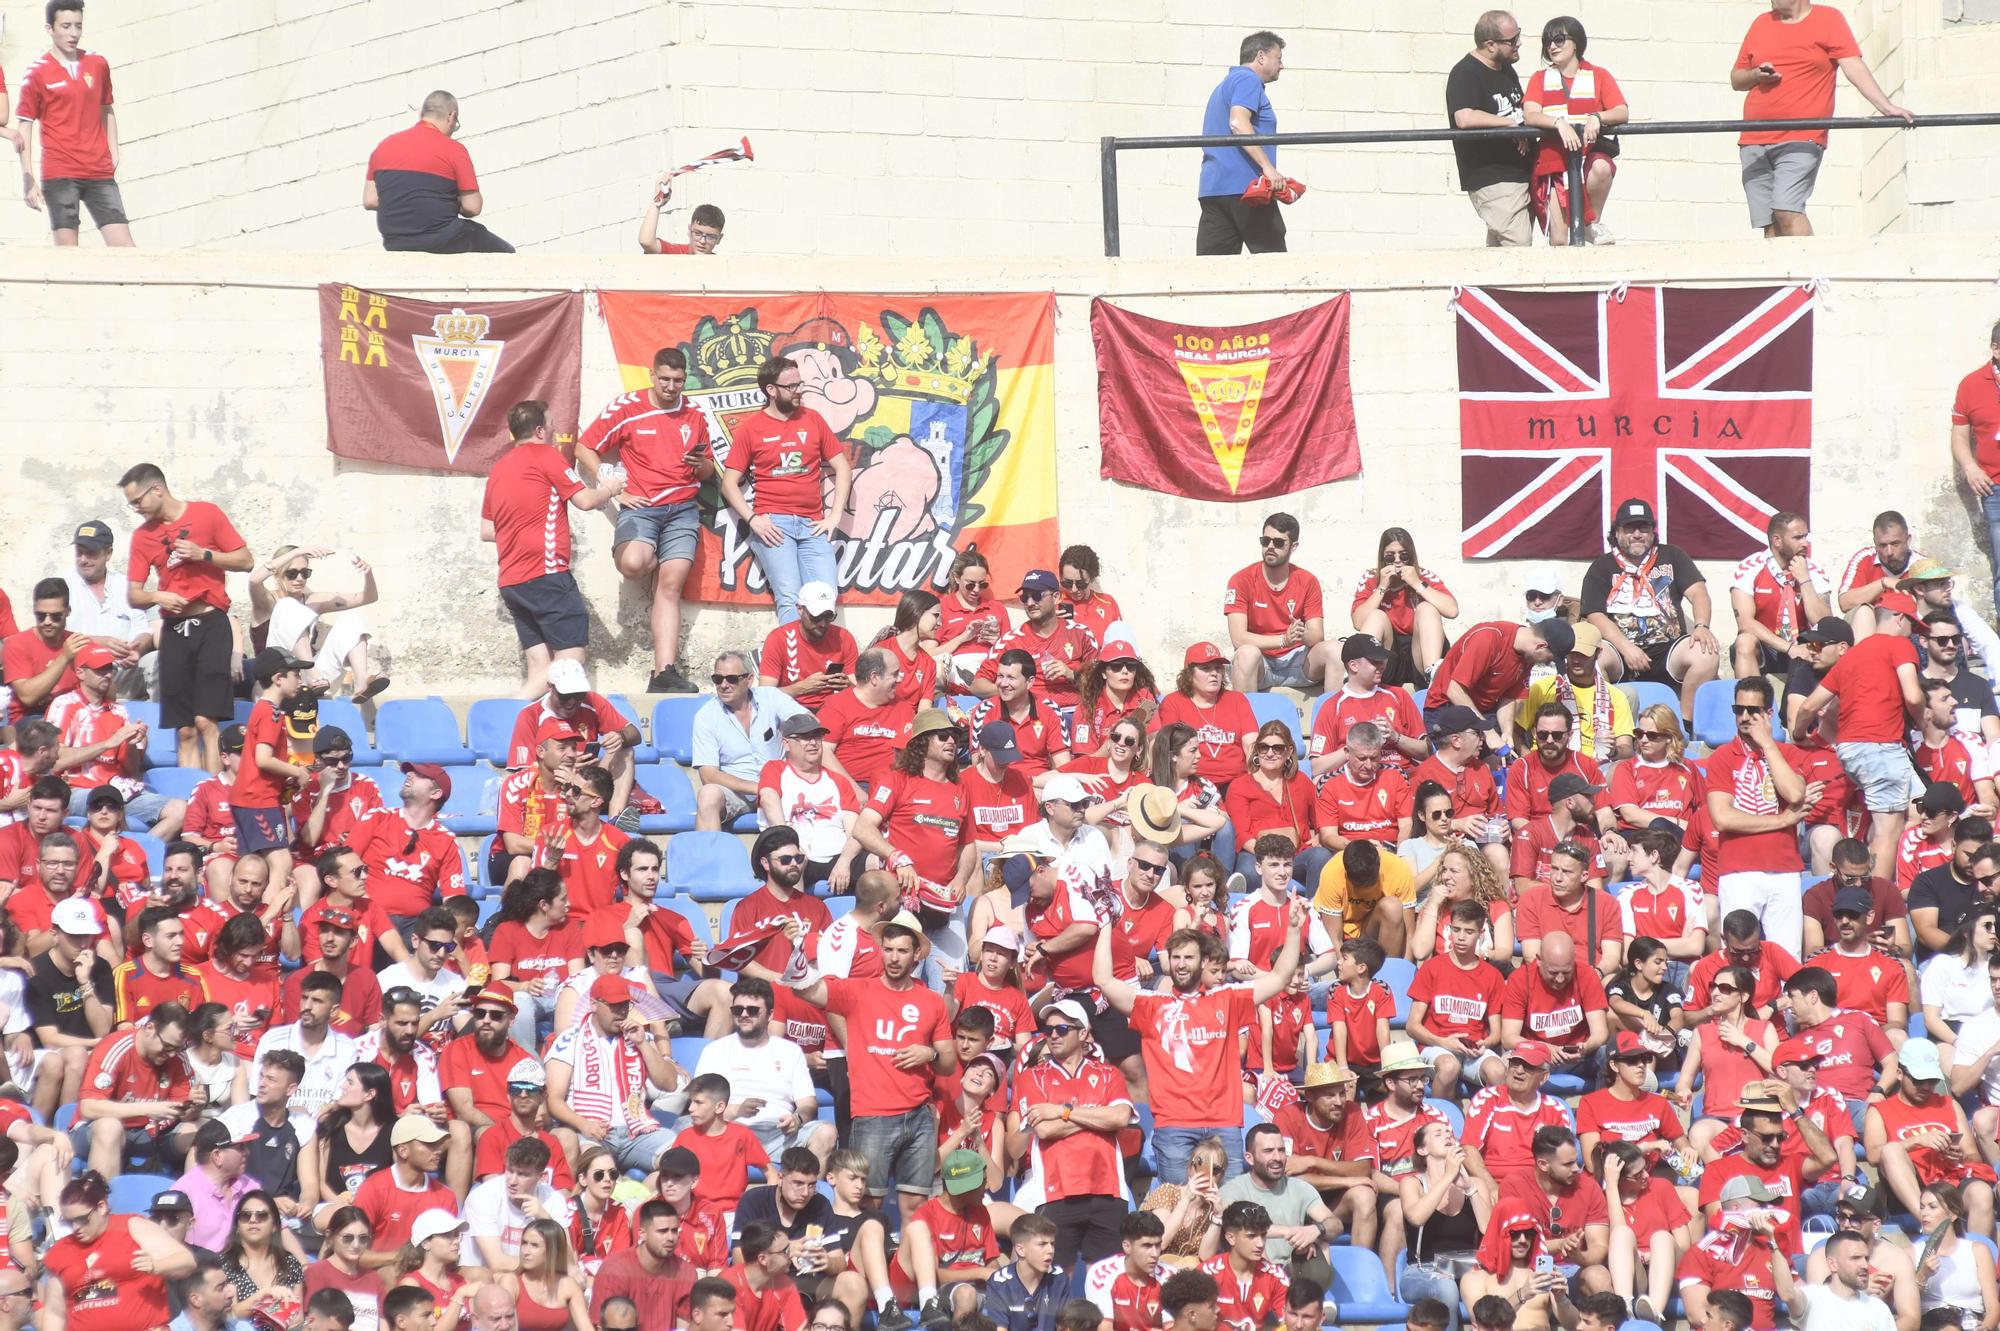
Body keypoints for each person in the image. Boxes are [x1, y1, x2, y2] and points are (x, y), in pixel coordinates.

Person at [575, 346, 717, 695]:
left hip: (683, 509)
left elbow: (710, 467)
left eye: (678, 381)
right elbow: (584, 447)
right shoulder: (627, 407)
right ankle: (649, 554)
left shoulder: (695, 414)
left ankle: (664, 673)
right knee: (634, 564)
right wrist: (612, 488)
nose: (671, 387)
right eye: (665, 379)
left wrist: (700, 465)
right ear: (652, 376)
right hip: (640, 508)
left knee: (670, 588)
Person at [1730, 0, 1912, 239]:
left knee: (1787, 209)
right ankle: (1782, 276)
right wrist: (1755, 74)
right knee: (1771, 223)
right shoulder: (1761, 23)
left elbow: (1853, 66)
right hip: (1753, 137)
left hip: (1800, 136)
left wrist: (1885, 106)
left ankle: (1809, 275)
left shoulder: (1828, 19)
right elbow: (1736, 79)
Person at [479, 401, 623, 699]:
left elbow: (487, 530)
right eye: (552, 426)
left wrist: (522, 527)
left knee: (540, 668)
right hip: (546, 575)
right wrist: (610, 487)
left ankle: (524, 729)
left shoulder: (499, 469)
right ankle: (504, 718)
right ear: (540, 430)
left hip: (512, 581)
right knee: (570, 662)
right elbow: (584, 500)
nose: (556, 433)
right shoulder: (547, 456)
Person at [121, 462, 253, 772]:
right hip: (175, 629)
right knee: (185, 729)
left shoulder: (207, 514)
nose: (136, 508)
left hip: (210, 623)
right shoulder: (142, 537)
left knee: (207, 721)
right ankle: (189, 802)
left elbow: (246, 560)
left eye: (137, 501)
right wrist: (158, 596)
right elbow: (134, 595)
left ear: (157, 489)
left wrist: (203, 554)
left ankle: (213, 798)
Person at [1795, 591, 1928, 880]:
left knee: (1920, 809)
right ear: (1900, 619)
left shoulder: (1850, 657)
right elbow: (1914, 696)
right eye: (1912, 626)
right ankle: (1878, 899)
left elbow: (1808, 705)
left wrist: (1798, 733)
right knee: (1888, 830)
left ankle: (1896, 877)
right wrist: (1921, 723)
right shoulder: (1899, 645)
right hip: (1880, 747)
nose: (1913, 633)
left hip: (1854, 750)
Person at [718, 356, 855, 623]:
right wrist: (753, 519)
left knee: (825, 596)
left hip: (813, 524)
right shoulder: (751, 428)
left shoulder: (813, 419)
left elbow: (843, 467)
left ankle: (824, 663)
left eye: (799, 384)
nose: (798, 391)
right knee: (791, 598)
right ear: (771, 390)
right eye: (791, 386)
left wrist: (835, 515)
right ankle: (794, 665)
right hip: (774, 525)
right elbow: (728, 483)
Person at [1006, 1000, 1135, 1269]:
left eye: (1062, 1028)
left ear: (1084, 1033)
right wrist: (1097, 1116)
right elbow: (1043, 1128)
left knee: (1103, 1280)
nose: (1053, 1035)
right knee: (1056, 1280)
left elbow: (1120, 1118)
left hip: (1108, 1190)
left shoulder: (1108, 1074)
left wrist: (1062, 1111)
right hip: (1056, 1191)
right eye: (1048, 1029)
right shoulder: (1033, 1076)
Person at [1580, 497, 1721, 726]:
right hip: (1620, 653)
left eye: (1643, 527)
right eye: (1630, 528)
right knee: (1594, 658)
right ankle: (1608, 726)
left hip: (1669, 651)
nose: (1637, 534)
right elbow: (1595, 614)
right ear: (1616, 532)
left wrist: (1702, 626)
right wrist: (1627, 648)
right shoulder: (1601, 566)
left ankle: (1684, 726)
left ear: (1652, 532)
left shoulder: (1673, 556)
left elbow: (1698, 593)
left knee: (1707, 652)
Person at [17, 1, 133, 247]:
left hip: (98, 171)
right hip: (60, 173)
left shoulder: (98, 64)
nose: (73, 34)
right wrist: (28, 178)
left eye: (78, 26)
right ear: (50, 28)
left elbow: (106, 108)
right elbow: (24, 127)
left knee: (127, 251)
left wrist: (114, 152)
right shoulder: (36, 72)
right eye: (66, 26)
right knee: (68, 255)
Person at [1521, 16, 1628, 246]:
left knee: (1601, 167)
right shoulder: (1540, 79)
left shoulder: (1599, 75)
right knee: (1560, 241)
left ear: (1576, 42)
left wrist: (1597, 117)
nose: (1552, 46)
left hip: (1587, 157)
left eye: (1559, 39)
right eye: (1548, 41)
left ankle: (1591, 223)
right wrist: (1558, 123)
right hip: (1554, 163)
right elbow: (1530, 114)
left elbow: (1621, 110)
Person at [44, 1171, 196, 1330]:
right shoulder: (60, 1251)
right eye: (69, 1221)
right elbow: (55, 1312)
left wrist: (156, 1265)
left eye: (82, 1219)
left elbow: (186, 1261)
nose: (76, 1228)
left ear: (101, 1207)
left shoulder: (133, 1226)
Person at [363, 90, 512, 253]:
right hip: (442, 241)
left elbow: (370, 200)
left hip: (396, 243)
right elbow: (473, 207)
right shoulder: (454, 150)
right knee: (506, 253)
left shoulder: (384, 146)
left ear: (421, 114)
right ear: (451, 117)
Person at [1194, 32, 1289, 257]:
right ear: (1261, 56)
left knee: (1214, 271)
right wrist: (1268, 167)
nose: (1282, 65)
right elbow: (1238, 122)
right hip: (1247, 189)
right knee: (1274, 266)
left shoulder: (1225, 85)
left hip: (1214, 190)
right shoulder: (1248, 79)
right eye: (1279, 58)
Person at [691, 651, 809, 831]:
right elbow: (709, 775)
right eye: (717, 679)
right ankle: (711, 856)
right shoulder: (706, 716)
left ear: (749, 679)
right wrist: (759, 787)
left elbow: (808, 722)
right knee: (708, 795)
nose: (723, 685)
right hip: (737, 791)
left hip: (781, 783)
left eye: (731, 679)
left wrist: (792, 736)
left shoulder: (771, 697)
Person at [249, 546, 386, 699]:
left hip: (314, 680)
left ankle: (361, 682)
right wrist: (297, 552)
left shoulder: (313, 601)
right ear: (277, 574)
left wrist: (368, 573)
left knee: (351, 618)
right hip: (275, 678)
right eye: (292, 573)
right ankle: (311, 674)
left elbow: (368, 597)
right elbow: (254, 580)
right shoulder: (266, 601)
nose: (300, 578)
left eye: (305, 573)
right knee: (287, 605)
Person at [1216, 1125, 1341, 1290]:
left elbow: (1335, 1224)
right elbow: (1238, 1227)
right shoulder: (1233, 1190)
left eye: (1281, 1150)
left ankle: (1313, 1304)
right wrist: (1293, 1232)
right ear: (1249, 1158)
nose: (1278, 1157)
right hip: (1254, 1272)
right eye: (1268, 1151)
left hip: (1293, 1271)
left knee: (1322, 1243)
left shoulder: (1300, 1188)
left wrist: (1316, 1230)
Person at [1446, 11, 1532, 248]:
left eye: (1518, 35)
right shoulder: (1465, 73)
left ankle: (1486, 287)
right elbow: (1464, 117)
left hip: (1519, 172)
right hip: (1493, 177)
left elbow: (1518, 111)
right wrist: (1509, 124)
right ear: (1490, 44)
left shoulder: (1505, 69)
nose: (1519, 43)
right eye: (1512, 40)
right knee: (1518, 244)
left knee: (1500, 250)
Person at [1676, 1175, 1805, 1329]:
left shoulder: (1772, 1250)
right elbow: (1698, 1314)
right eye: (1762, 1206)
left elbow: (1799, 1299)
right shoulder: (1703, 1250)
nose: (1769, 1212)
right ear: (1736, 1208)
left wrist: (1773, 1239)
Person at [1425, 620, 1572, 754]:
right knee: (1470, 763)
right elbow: (1454, 690)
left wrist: (1507, 732)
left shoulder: (1528, 656)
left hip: (1483, 712)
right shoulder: (1489, 639)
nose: (1546, 664)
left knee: (1503, 760)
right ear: (1540, 646)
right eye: (1548, 659)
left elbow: (1508, 697)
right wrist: (1488, 731)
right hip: (1445, 708)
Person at [1225, 514, 1334, 693]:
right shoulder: (1241, 580)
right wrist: (1284, 640)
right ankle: (1245, 720)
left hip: (1297, 660)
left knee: (1335, 650)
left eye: (1278, 543)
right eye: (1265, 540)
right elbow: (1238, 638)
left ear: (1293, 546)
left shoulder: (1308, 581)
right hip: (1261, 663)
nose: (1270, 547)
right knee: (1245, 653)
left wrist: (1300, 635)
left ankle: (1333, 719)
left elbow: (1316, 635)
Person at [1730, 511, 1832, 680]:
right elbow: (1745, 623)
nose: (1805, 543)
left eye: (1805, 537)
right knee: (1744, 641)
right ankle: (1750, 702)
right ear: (1777, 541)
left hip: (1806, 642)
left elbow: (1824, 623)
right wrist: (1789, 648)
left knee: (1830, 647)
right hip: (1767, 644)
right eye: (1798, 538)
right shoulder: (1750, 568)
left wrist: (1805, 580)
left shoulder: (1814, 571)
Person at [62, 518, 153, 701]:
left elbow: (145, 631)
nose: (83, 560)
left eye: (91, 553)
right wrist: (101, 642)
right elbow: (55, 636)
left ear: (108, 553)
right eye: (79, 553)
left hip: (122, 671)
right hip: (83, 672)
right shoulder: (63, 586)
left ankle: (166, 724)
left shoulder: (124, 585)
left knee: (157, 661)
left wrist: (136, 649)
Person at [589, 1200, 698, 1331]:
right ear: (642, 1234)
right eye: (662, 1231)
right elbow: (600, 1326)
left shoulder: (686, 1272)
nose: (670, 1237)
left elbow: (684, 1327)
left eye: (674, 1231)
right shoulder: (614, 1270)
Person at [758, 584, 859, 713]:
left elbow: (858, 691)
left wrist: (847, 687)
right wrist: (802, 688)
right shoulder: (778, 639)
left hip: (832, 709)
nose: (822, 623)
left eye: (829, 617)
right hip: (790, 709)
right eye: (816, 617)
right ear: (800, 609)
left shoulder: (844, 638)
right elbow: (764, 697)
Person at [1913, 1182, 1998, 1327]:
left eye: (1932, 1207)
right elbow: (1906, 1302)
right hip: (1932, 1322)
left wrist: (1986, 1328)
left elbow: (1993, 1306)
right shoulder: (1911, 1252)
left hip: (1970, 1321)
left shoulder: (1978, 1251)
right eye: (1922, 1207)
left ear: (1953, 1214)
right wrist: (1922, 1275)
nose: (1924, 1212)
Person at [1798, 1229, 1898, 1331]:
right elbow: (1787, 1293)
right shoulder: (1811, 1299)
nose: (1865, 1265)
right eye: (1855, 1258)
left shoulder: (1879, 1309)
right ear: (1833, 1264)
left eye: (1866, 1259)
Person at [640, 197, 724, 255]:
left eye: (710, 237)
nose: (702, 241)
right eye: (697, 234)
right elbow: (647, 242)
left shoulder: (721, 266)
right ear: (689, 230)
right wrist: (657, 202)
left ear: (719, 239)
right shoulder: (677, 253)